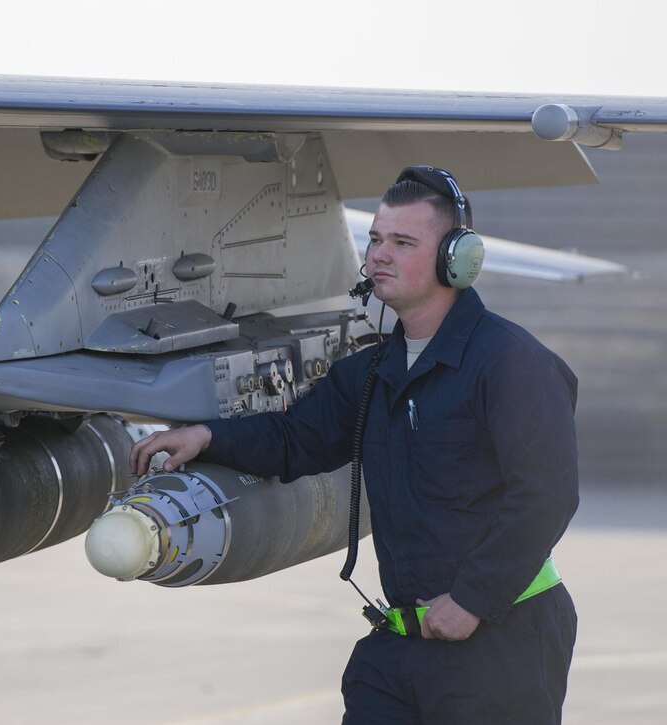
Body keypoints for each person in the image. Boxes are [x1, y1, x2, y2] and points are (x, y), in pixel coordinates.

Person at [129, 166, 579, 724]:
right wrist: (206, 436)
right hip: (400, 644)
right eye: (375, 239)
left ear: (456, 259)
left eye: (403, 242)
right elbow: (297, 440)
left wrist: (473, 600)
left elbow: (546, 495)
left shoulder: (512, 363)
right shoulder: (371, 372)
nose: (379, 256)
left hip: (503, 636)